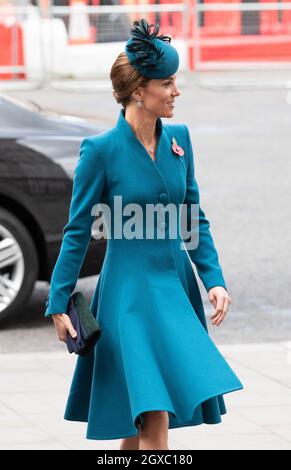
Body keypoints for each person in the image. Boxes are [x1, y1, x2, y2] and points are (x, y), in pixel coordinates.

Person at [44, 18, 244, 451]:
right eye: (167, 82)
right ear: (140, 90)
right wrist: (58, 302)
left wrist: (214, 279)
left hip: (175, 292)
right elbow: (77, 231)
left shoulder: (180, 140)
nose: (176, 91)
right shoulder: (100, 151)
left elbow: (194, 217)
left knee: (141, 427)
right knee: (153, 421)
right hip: (129, 299)